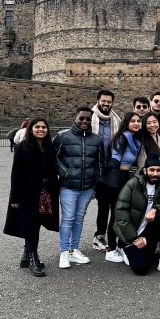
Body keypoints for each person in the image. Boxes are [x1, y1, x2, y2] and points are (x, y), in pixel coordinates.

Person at [3, 117, 60, 277]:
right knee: (32, 224)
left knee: (38, 223)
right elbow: (16, 174)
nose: (41, 129)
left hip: (46, 193)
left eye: (44, 127)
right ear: (31, 129)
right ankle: (34, 258)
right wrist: (15, 198)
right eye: (37, 127)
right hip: (28, 193)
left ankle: (26, 254)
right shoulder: (23, 147)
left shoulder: (49, 147)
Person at [52, 106, 104, 269]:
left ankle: (73, 250)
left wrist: (96, 182)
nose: (84, 121)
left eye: (88, 119)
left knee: (79, 219)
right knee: (68, 219)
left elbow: (100, 163)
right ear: (76, 118)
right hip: (68, 186)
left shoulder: (96, 140)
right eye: (82, 118)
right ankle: (64, 252)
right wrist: (64, 172)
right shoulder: (62, 137)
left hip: (87, 188)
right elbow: (54, 158)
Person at [113, 153, 160, 275]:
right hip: (132, 232)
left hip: (150, 229)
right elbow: (120, 212)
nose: (155, 174)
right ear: (145, 170)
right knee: (141, 269)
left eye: (158, 170)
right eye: (151, 170)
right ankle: (125, 247)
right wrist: (133, 238)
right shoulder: (132, 184)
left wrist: (156, 209)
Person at [104, 112, 143, 262]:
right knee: (116, 214)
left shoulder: (135, 140)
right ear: (126, 123)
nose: (136, 123)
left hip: (126, 178)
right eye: (132, 121)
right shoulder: (122, 138)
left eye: (138, 121)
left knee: (125, 214)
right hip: (116, 179)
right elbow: (115, 162)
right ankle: (111, 248)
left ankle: (121, 245)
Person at [92, 89, 122, 252]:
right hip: (96, 167)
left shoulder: (116, 120)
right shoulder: (89, 118)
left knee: (113, 204)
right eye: (103, 101)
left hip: (111, 168)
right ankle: (99, 235)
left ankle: (112, 236)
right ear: (98, 100)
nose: (106, 104)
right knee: (102, 205)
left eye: (109, 102)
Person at [136, 112, 160, 182]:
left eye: (154, 122)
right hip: (146, 178)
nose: (152, 125)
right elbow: (141, 164)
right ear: (144, 125)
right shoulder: (141, 141)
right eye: (148, 123)